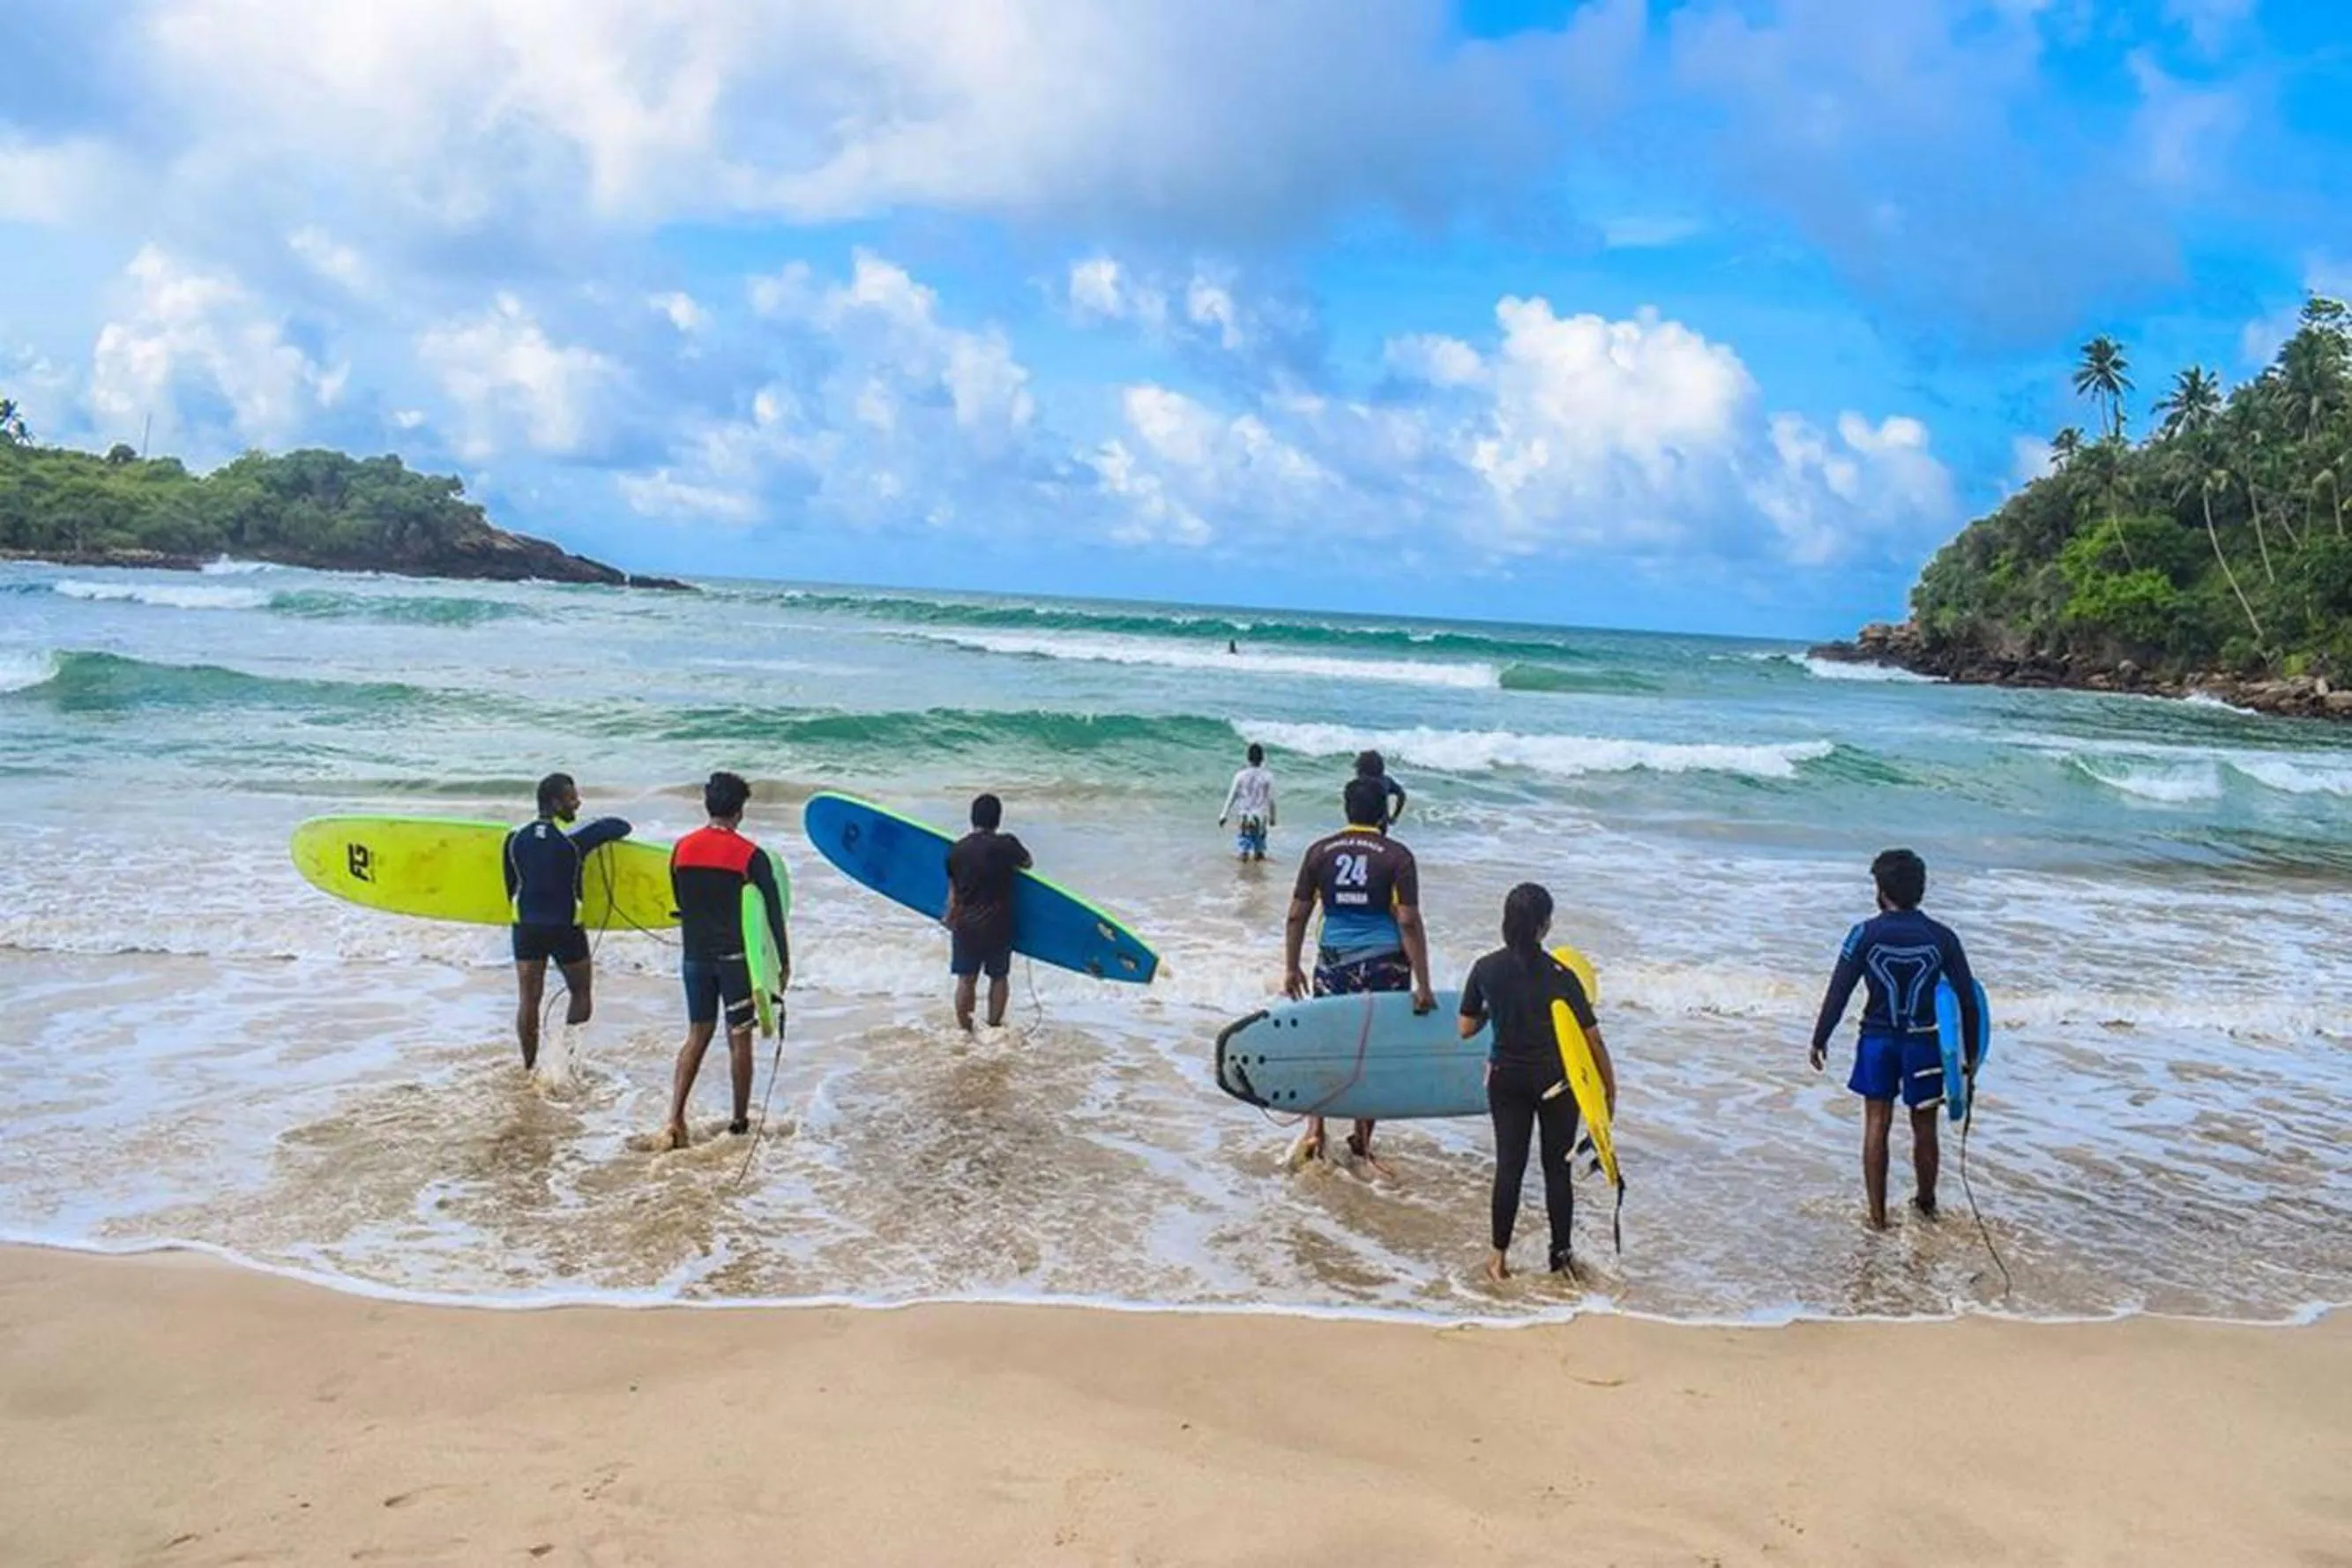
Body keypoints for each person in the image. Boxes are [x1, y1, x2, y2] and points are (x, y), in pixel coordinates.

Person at [1809, 847, 1981, 1229]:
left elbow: (1839, 991)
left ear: (1881, 890)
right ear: (1920, 890)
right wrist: (1969, 1058)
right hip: (1924, 1042)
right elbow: (1968, 1001)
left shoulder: (1864, 934)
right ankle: (1926, 1204)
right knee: (1924, 1125)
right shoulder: (1943, 938)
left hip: (1877, 1041)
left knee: (1876, 1124)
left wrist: (1820, 1036)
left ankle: (1877, 1217)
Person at [1458, 884, 1616, 1281]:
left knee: (1509, 1167)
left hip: (1506, 1080)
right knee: (1555, 1170)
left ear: (1506, 922)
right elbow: (1593, 1041)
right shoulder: (1562, 976)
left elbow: (1465, 1028)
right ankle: (1560, 1258)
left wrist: (1496, 1008)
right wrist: (1608, 1092)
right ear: (1544, 926)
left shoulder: (1486, 968)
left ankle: (1497, 1260)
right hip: (1556, 1083)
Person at [1281, 775, 1437, 1165]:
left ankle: (1315, 1130)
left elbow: (1297, 914)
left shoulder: (1320, 852)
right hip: (1385, 965)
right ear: (1383, 812)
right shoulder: (1397, 855)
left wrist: (1291, 967)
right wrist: (1423, 983)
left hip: (1333, 962)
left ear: (1346, 809)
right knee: (1374, 1050)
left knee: (1327, 1044)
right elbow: (1408, 921)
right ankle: (1362, 1137)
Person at [663, 771, 788, 1149]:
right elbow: (771, 915)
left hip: (695, 957)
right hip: (735, 960)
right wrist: (782, 964)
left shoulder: (681, 849)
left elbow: (682, 904)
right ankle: (738, 1122)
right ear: (740, 810)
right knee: (739, 1038)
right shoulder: (750, 855)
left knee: (697, 1035)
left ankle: (675, 1118)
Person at [502, 773, 631, 1071]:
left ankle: (530, 1066)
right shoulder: (576, 838)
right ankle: (568, 1061)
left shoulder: (514, 837)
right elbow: (620, 826)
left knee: (528, 999)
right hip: (565, 926)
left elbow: (511, 885)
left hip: (526, 926)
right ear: (556, 802)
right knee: (581, 991)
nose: (578, 803)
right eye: (572, 798)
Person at [945, 793, 1032, 1032]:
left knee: (966, 978)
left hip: (965, 924)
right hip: (998, 923)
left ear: (972, 818)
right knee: (998, 977)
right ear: (998, 819)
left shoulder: (957, 850)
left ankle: (965, 1030)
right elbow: (1028, 863)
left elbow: (952, 889)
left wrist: (948, 916)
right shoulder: (1007, 844)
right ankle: (994, 1026)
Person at [1218, 743, 1278, 862]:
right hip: (1260, 817)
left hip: (1244, 816)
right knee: (1259, 850)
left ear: (1248, 758)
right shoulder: (1268, 776)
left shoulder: (1240, 775)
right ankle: (1258, 876)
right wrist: (1273, 818)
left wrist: (1224, 814)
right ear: (1262, 758)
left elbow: (1232, 796)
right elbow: (1271, 800)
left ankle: (1243, 876)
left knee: (1243, 850)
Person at [1354, 749, 1407, 829]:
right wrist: (1394, 816)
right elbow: (1401, 794)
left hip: (1359, 824)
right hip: (1380, 824)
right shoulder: (1386, 781)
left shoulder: (1357, 784)